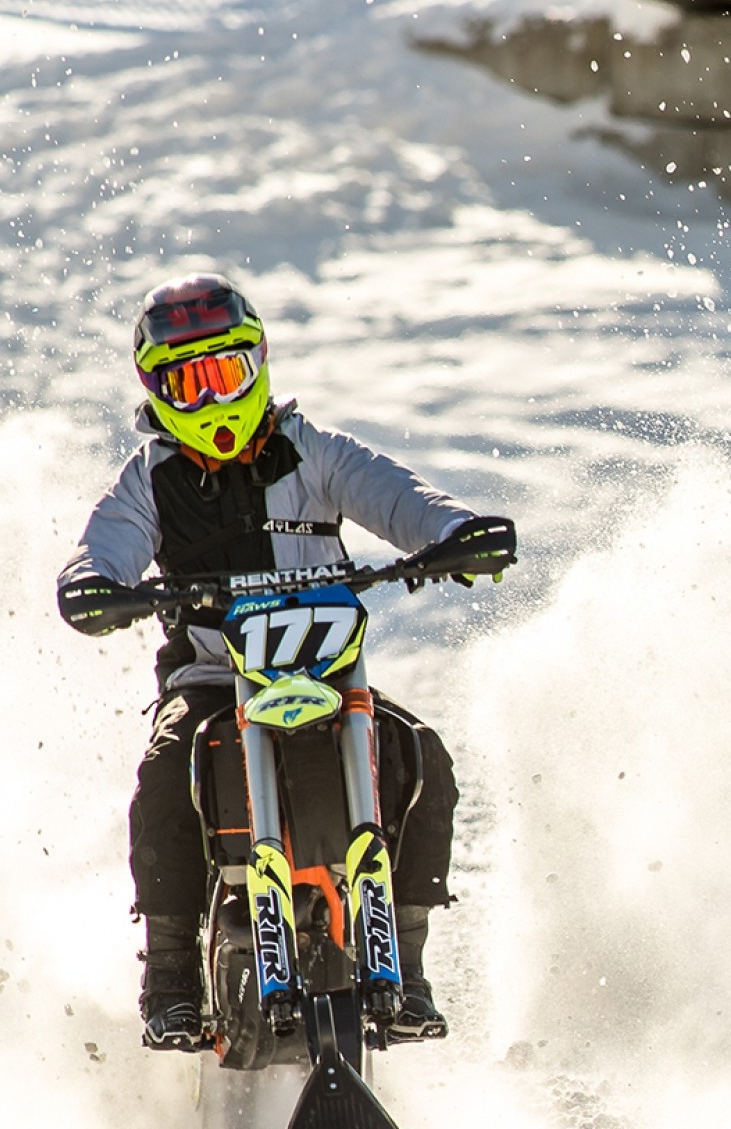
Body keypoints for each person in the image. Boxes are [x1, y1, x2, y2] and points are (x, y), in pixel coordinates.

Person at [56, 274, 516, 1052]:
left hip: (330, 673)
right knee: (168, 768)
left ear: (259, 362)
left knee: (421, 754)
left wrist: (456, 532)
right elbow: (101, 549)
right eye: (186, 385)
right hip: (213, 679)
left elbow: (402, 497)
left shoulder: (316, 453)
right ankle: (168, 976)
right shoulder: (149, 482)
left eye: (224, 375)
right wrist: (95, 586)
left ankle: (405, 957)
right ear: (156, 391)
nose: (209, 403)